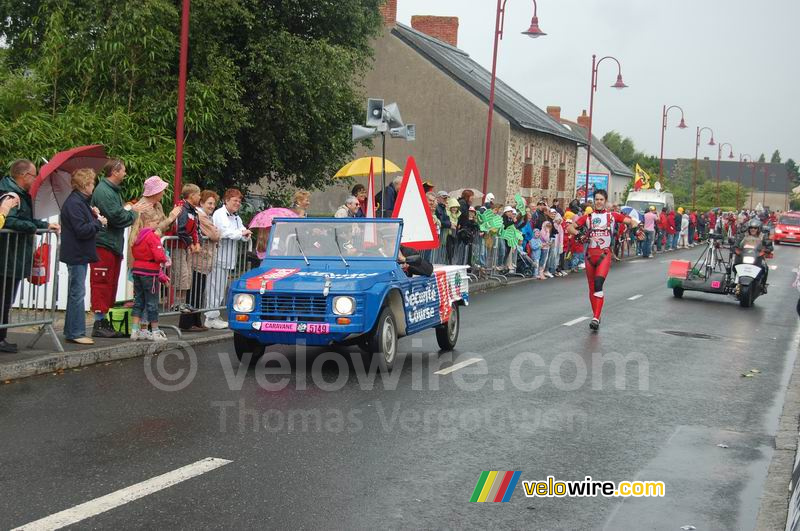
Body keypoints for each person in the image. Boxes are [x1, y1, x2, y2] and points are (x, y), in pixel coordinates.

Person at [0, 160, 59, 353]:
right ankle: (0, 338)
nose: (35, 180)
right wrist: (34, 227)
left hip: (12, 256)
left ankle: (2, 337)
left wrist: (44, 225)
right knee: (4, 299)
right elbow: (10, 220)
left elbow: (22, 219)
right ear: (24, 175)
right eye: (34, 176)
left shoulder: (18, 193)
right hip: (7, 256)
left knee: (6, 299)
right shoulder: (11, 195)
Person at [90, 160, 152, 338]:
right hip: (104, 243)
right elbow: (116, 217)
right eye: (123, 170)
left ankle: (102, 320)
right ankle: (99, 322)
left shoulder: (110, 191)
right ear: (115, 171)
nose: (125, 173)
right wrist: (133, 212)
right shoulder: (104, 191)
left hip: (111, 243)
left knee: (109, 282)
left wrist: (129, 211)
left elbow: (117, 214)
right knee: (102, 282)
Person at [568, 189, 639, 331]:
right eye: (597, 199)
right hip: (589, 256)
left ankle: (595, 318)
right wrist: (578, 234)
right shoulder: (587, 217)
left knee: (598, 284)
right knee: (592, 287)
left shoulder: (612, 216)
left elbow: (632, 222)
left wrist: (636, 230)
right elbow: (570, 227)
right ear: (594, 201)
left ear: (605, 201)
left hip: (604, 255)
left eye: (601, 199)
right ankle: (596, 314)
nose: (599, 202)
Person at [60, 168, 107, 345]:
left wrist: (93, 216)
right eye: (92, 183)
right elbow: (81, 230)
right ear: (85, 184)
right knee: (77, 293)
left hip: (78, 253)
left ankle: (72, 331)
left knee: (76, 293)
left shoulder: (79, 202)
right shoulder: (75, 203)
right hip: (77, 253)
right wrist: (98, 222)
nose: (93, 186)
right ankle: (76, 332)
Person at [205, 188, 252, 329]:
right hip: (218, 257)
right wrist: (241, 233)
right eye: (234, 200)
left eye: (239, 201)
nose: (237, 203)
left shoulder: (236, 217)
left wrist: (245, 234)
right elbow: (224, 232)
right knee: (214, 288)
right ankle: (210, 317)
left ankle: (214, 315)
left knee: (220, 289)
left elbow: (242, 232)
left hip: (228, 258)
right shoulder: (220, 214)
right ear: (226, 201)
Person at [180, 190, 221, 332]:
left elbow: (214, 233)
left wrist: (216, 232)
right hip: (198, 260)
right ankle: (187, 323)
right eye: (209, 203)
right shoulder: (200, 215)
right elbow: (214, 234)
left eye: (214, 204)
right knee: (194, 292)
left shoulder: (205, 217)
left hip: (203, 261)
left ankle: (196, 321)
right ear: (201, 203)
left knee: (199, 292)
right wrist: (216, 232)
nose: (212, 206)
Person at [129, 208, 169, 341]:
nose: (157, 225)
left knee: (138, 301)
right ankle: (155, 331)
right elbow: (159, 256)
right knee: (152, 302)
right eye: (156, 222)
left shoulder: (136, 235)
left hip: (137, 270)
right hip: (150, 272)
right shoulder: (151, 236)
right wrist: (165, 258)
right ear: (149, 222)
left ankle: (134, 331)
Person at [172, 184, 202, 313]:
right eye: (198, 194)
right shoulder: (182, 208)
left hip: (186, 246)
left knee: (187, 274)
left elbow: (195, 229)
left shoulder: (193, 210)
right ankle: (177, 303)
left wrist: (197, 243)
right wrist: (191, 244)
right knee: (181, 274)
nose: (200, 197)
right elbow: (180, 229)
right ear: (191, 195)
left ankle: (183, 302)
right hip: (178, 246)